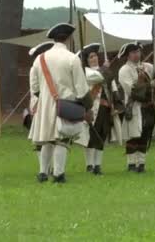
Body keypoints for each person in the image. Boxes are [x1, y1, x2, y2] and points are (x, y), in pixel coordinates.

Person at [30, 23, 92, 183]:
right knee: (62, 139)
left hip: (45, 104)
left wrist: (45, 97)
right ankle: (58, 174)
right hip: (67, 103)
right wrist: (87, 106)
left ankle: (43, 173)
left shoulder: (40, 58)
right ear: (69, 38)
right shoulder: (72, 58)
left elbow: (34, 87)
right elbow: (81, 87)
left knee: (47, 139)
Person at [76, 43, 121, 175]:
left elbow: (113, 87)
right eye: (90, 57)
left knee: (102, 136)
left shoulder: (104, 70)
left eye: (95, 55)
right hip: (92, 108)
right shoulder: (86, 72)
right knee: (91, 138)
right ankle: (89, 165)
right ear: (86, 60)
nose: (94, 58)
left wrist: (117, 104)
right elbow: (99, 77)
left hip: (105, 108)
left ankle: (98, 165)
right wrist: (105, 68)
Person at [118, 42, 155, 173]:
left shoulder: (147, 67)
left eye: (138, 52)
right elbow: (132, 91)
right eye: (133, 53)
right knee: (133, 136)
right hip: (134, 106)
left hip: (147, 107)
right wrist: (149, 85)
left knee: (145, 135)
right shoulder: (124, 70)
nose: (136, 55)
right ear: (127, 55)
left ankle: (141, 164)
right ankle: (131, 164)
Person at [25, 41, 55, 167]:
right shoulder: (35, 69)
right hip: (39, 104)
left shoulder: (52, 68)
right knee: (40, 137)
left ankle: (53, 167)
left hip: (51, 103)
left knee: (52, 136)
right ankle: (44, 168)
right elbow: (35, 89)